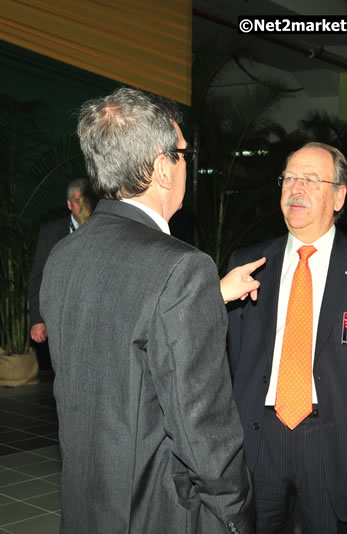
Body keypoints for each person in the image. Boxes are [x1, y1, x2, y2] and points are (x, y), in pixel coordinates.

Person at [40, 87, 255, 533]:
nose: (186, 164)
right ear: (162, 168)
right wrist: (235, 514)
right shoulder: (182, 266)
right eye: (183, 153)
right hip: (158, 511)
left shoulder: (64, 256)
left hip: (86, 503)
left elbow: (119, 337)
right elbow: (202, 428)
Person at [226, 142, 347, 533]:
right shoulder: (247, 263)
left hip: (334, 442)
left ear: (339, 196)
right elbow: (233, 354)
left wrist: (346, 406)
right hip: (259, 439)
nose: (296, 189)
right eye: (289, 178)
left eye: (310, 179)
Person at [29, 177, 91, 343]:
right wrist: (37, 320)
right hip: (60, 321)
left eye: (87, 202)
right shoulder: (50, 233)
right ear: (69, 204)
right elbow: (38, 277)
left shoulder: (104, 231)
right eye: (79, 202)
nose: (84, 208)